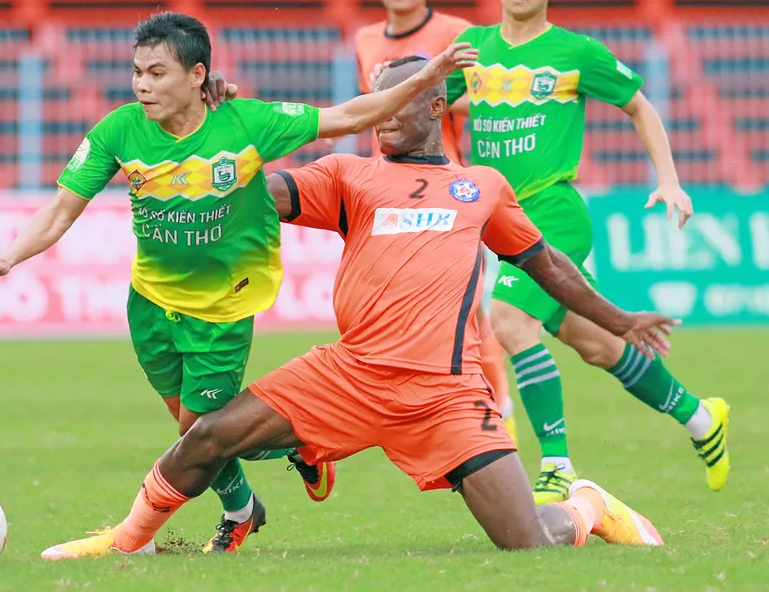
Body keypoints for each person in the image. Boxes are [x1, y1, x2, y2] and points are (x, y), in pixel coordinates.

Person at [39, 56, 669, 561]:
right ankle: (124, 541)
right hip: (351, 374)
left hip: (444, 395)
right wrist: (219, 136)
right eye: (378, 98)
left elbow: (549, 264)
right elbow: (258, 195)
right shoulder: (349, 175)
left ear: (434, 104)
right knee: (206, 436)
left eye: (399, 97)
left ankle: (587, 504)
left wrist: (620, 321)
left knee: (527, 541)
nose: (383, 113)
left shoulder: (481, 188)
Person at [0, 11, 479, 553]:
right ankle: (245, 506)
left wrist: (426, 76)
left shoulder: (246, 123)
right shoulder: (119, 130)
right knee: (192, 434)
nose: (143, 84)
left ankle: (263, 469)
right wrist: (10, 257)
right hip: (150, 304)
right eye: (137, 71)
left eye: (158, 73)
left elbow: (351, 115)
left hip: (222, 313)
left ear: (196, 75)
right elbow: (61, 211)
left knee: (202, 432)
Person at [444, 0, 728, 503]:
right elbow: (420, 101)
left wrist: (669, 181)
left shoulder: (577, 53)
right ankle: (702, 419)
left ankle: (557, 466)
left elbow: (640, 107)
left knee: (510, 322)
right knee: (598, 344)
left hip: (556, 212)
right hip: (502, 221)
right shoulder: (472, 51)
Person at [353, 0, 516, 439]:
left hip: (448, 193)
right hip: (384, 194)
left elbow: (483, 101)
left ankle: (499, 417)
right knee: (378, 309)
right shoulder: (365, 38)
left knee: (469, 313)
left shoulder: (458, 34)